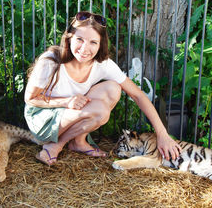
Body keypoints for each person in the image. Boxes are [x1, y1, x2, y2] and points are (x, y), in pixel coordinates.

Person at [24, 11, 181, 166]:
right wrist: (66, 102)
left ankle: (76, 142)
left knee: (113, 89)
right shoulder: (50, 61)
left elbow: (138, 95)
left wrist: (162, 134)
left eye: (93, 42)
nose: (85, 49)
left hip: (69, 113)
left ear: (100, 45)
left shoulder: (103, 64)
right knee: (101, 110)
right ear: (69, 37)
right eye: (80, 39)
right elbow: (30, 99)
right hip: (42, 119)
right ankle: (54, 145)